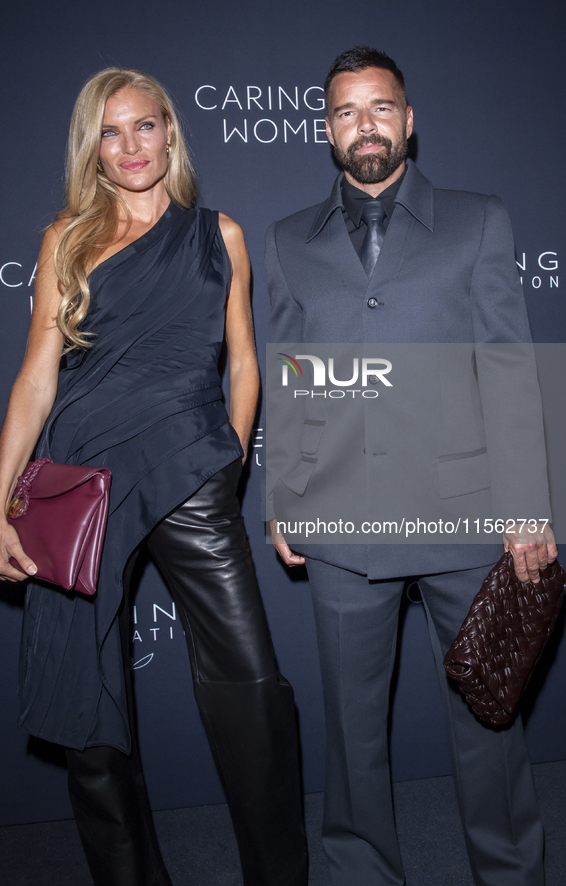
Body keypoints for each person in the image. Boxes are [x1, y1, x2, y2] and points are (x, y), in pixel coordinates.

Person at [0, 68, 308, 886]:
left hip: (189, 470)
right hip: (79, 482)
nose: (130, 146)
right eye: (111, 132)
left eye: (145, 126)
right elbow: (36, 381)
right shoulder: (67, 238)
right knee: (85, 703)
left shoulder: (216, 234)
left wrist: (227, 455)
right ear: (92, 147)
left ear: (169, 132)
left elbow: (243, 362)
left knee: (251, 686)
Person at [265, 46, 556, 886]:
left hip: (464, 515)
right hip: (342, 518)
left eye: (380, 107)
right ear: (327, 130)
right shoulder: (288, 242)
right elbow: (288, 380)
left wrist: (528, 506)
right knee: (351, 731)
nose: (366, 125)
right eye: (347, 111)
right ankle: (361, 872)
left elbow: (507, 369)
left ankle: (507, 872)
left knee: (489, 719)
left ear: (408, 121)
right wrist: (282, 494)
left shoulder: (478, 219)